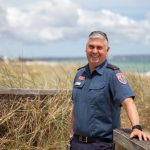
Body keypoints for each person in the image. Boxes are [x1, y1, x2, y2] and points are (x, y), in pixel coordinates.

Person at [69, 31, 150, 150]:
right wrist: (71, 134)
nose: (95, 51)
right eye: (91, 47)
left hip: (101, 145)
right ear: (86, 49)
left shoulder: (113, 75)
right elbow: (76, 106)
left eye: (99, 47)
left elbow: (128, 102)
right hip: (76, 143)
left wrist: (136, 127)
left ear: (107, 50)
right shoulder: (80, 74)